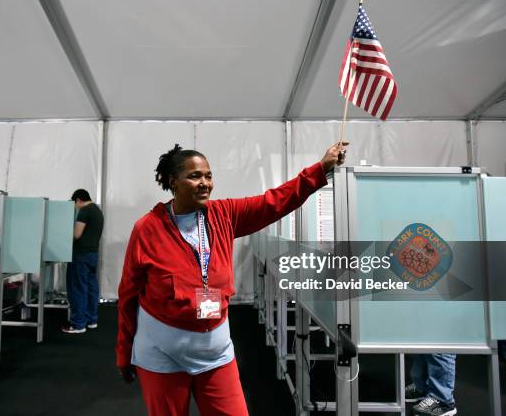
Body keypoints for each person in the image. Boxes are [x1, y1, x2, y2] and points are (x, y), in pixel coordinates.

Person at [116, 142, 347, 415]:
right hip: (162, 354)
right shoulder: (147, 229)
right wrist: (124, 351)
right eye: (194, 176)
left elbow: (273, 202)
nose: (205, 183)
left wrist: (319, 170)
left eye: (208, 175)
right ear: (172, 182)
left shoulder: (224, 215)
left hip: (215, 352)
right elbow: (128, 294)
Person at [62, 189, 104, 334]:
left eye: (75, 205)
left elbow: (77, 234)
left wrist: (63, 239)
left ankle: (78, 324)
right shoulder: (98, 211)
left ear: (79, 200)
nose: (76, 208)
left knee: (77, 288)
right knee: (91, 288)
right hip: (93, 254)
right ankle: (91, 320)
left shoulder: (85, 211)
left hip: (80, 255)